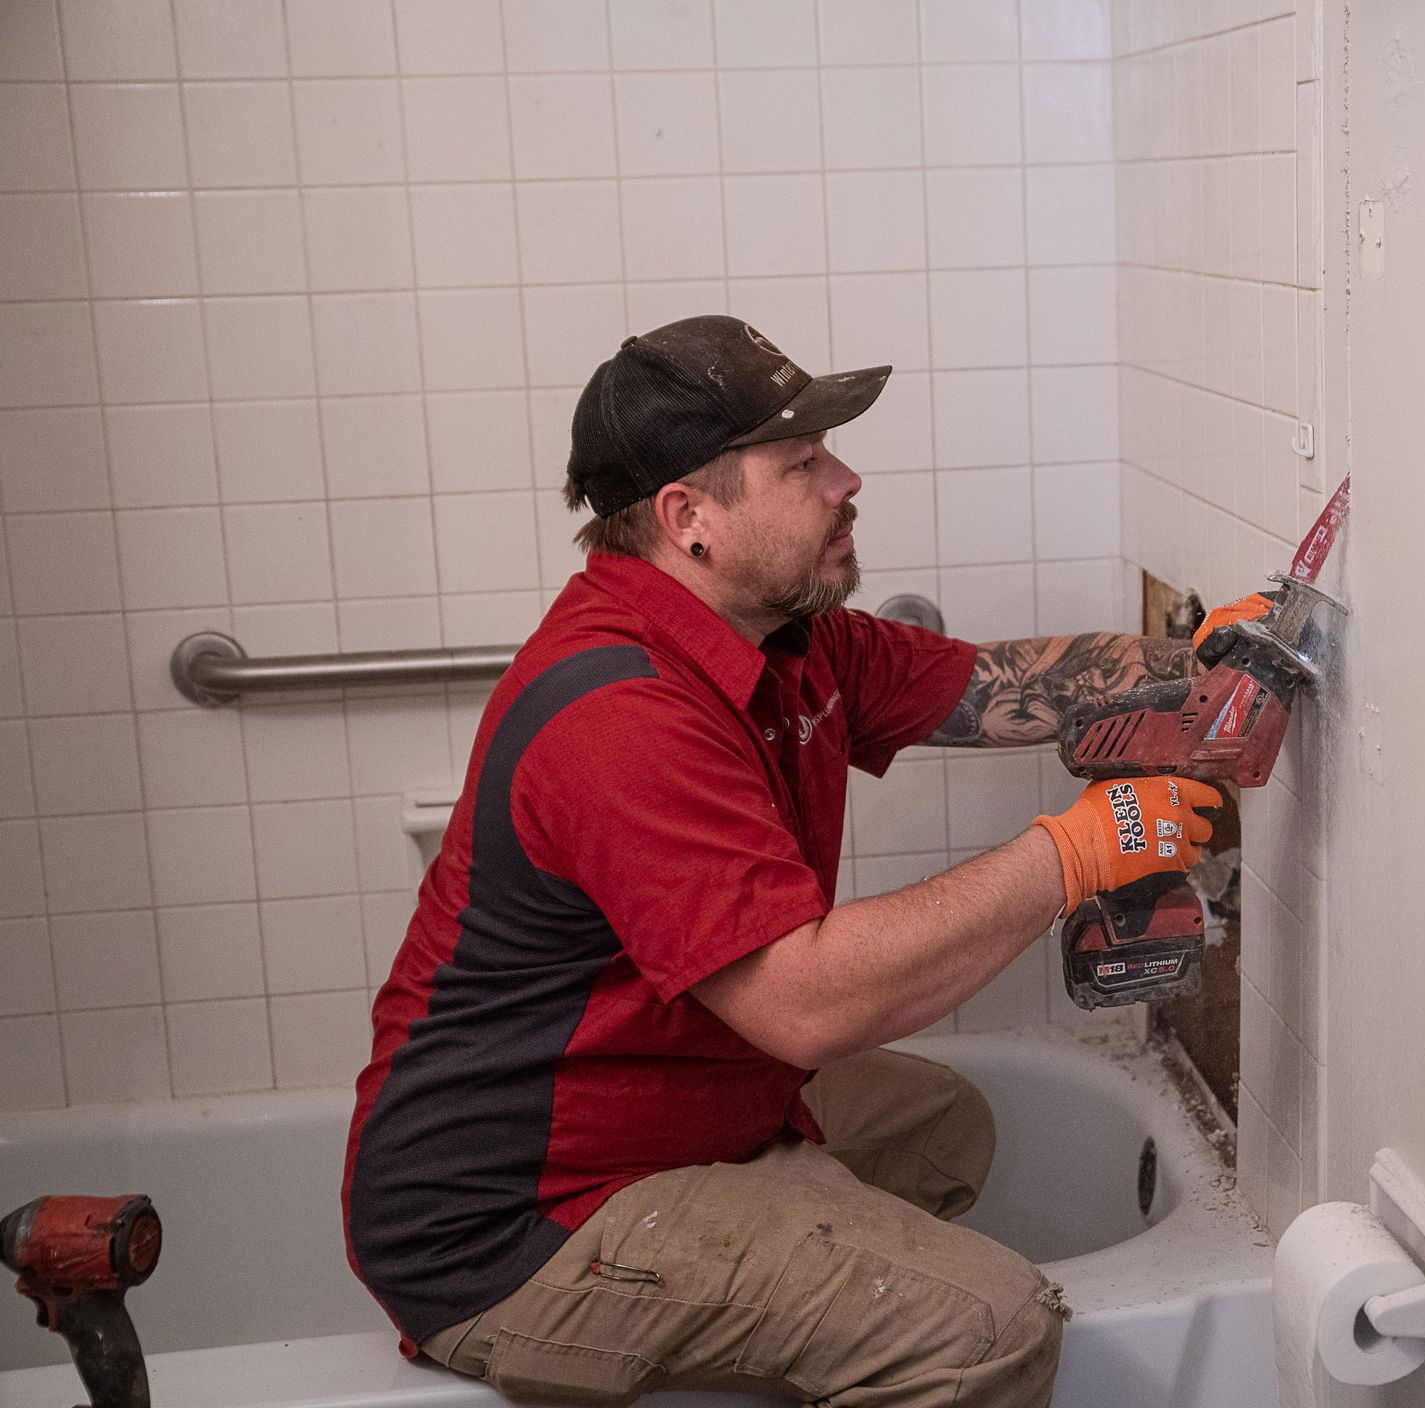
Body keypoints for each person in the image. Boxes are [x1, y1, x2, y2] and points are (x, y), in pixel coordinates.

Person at [341, 316, 1230, 1407]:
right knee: (987, 1326)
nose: (846, 479)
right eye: (803, 463)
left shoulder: (785, 638)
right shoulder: (622, 714)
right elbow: (805, 1007)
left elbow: (1000, 684)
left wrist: (1199, 666)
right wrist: (1082, 851)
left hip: (662, 1109)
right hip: (517, 1222)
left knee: (942, 1126)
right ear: (690, 519)